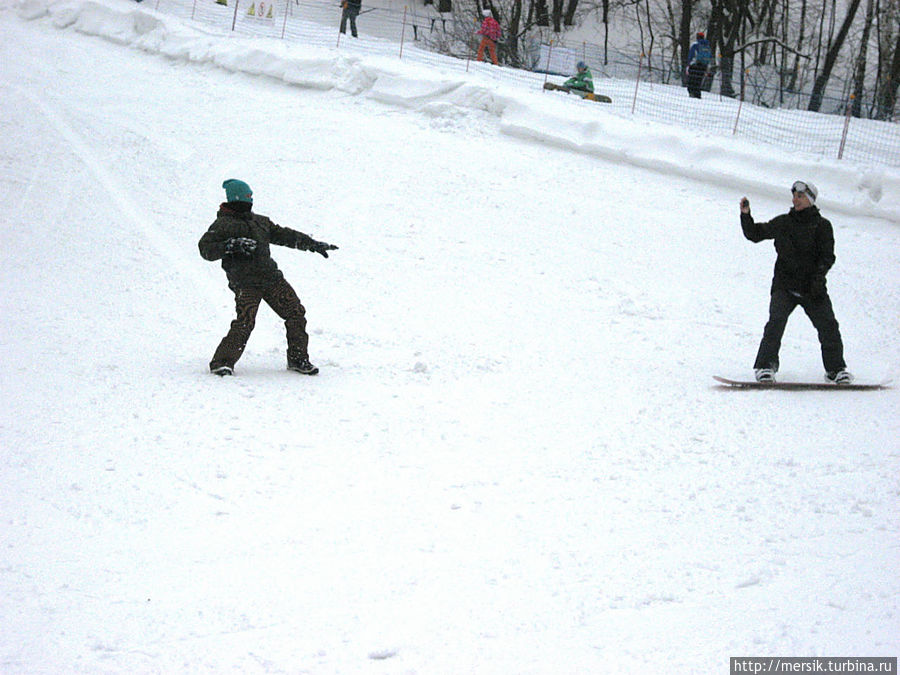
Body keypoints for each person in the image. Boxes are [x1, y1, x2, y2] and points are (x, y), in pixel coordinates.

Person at [198, 179, 338, 377]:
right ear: (237, 198)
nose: (251, 200)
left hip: (272, 279)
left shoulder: (260, 222)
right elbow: (205, 249)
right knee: (245, 321)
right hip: (246, 283)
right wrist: (230, 245)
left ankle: (298, 359)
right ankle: (222, 362)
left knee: (295, 313)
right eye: (248, 197)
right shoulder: (223, 225)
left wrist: (312, 244)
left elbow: (285, 235)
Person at [739, 181, 853, 384]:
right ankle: (765, 367)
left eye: (800, 196)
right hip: (785, 285)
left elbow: (828, 257)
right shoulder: (784, 222)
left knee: (828, 326)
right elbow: (755, 234)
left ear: (810, 199)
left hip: (813, 288)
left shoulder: (823, 226)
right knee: (775, 323)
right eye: (794, 196)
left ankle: (836, 370)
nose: (795, 200)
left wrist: (818, 279)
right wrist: (745, 215)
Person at [686, 32, 712, 98]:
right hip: (704, 66)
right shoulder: (707, 46)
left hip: (695, 65)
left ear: (697, 37)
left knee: (691, 81)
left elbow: (691, 55)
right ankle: (698, 96)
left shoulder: (695, 45)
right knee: (698, 81)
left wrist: (688, 64)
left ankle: (692, 95)